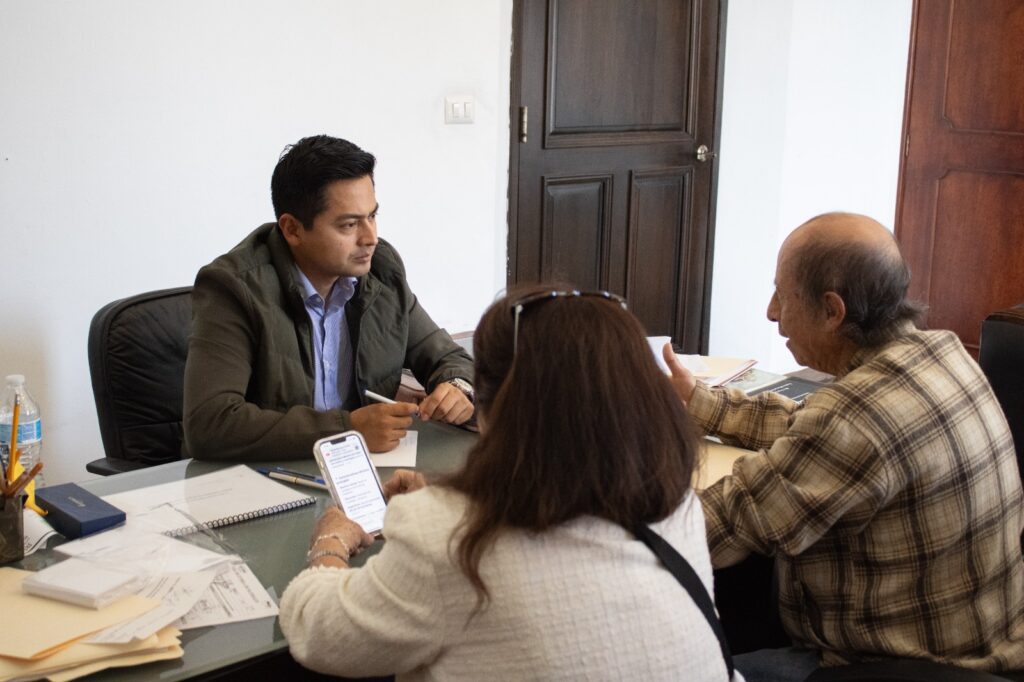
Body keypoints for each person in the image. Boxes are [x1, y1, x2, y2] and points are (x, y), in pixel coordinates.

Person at [279, 286, 735, 680]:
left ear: (493, 407)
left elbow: (319, 632)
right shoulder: (677, 499)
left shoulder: (447, 537)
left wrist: (330, 544)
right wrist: (448, 502)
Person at [663, 212, 1024, 680]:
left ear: (833, 311)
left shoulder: (855, 417)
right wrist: (700, 402)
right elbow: (811, 426)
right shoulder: (943, 353)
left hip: (894, 668)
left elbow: (715, 527)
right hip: (983, 649)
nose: (771, 312)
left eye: (782, 295)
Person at [183, 135, 474, 460]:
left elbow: (449, 358)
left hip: (364, 471)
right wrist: (346, 429)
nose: (370, 238)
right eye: (349, 224)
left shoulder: (381, 271)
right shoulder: (234, 288)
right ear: (292, 229)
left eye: (372, 216)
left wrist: (457, 387)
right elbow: (210, 424)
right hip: (266, 475)